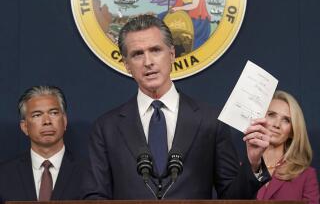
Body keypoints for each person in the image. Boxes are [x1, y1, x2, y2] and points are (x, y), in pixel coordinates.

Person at [82, 14, 271, 200]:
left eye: (155, 50)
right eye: (138, 54)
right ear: (126, 64)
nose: (148, 62)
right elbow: (95, 196)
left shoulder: (210, 121)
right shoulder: (107, 128)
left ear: (172, 54)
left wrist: (253, 163)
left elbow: (233, 197)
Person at [0, 86, 84, 202]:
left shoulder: (89, 172)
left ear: (64, 121)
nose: (47, 121)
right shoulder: (4, 174)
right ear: (24, 127)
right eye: (37, 115)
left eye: (54, 113)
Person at [257, 90, 320, 203]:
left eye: (286, 120)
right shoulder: (241, 170)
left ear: (292, 131)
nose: (276, 125)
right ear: (261, 119)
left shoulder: (306, 175)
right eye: (271, 115)